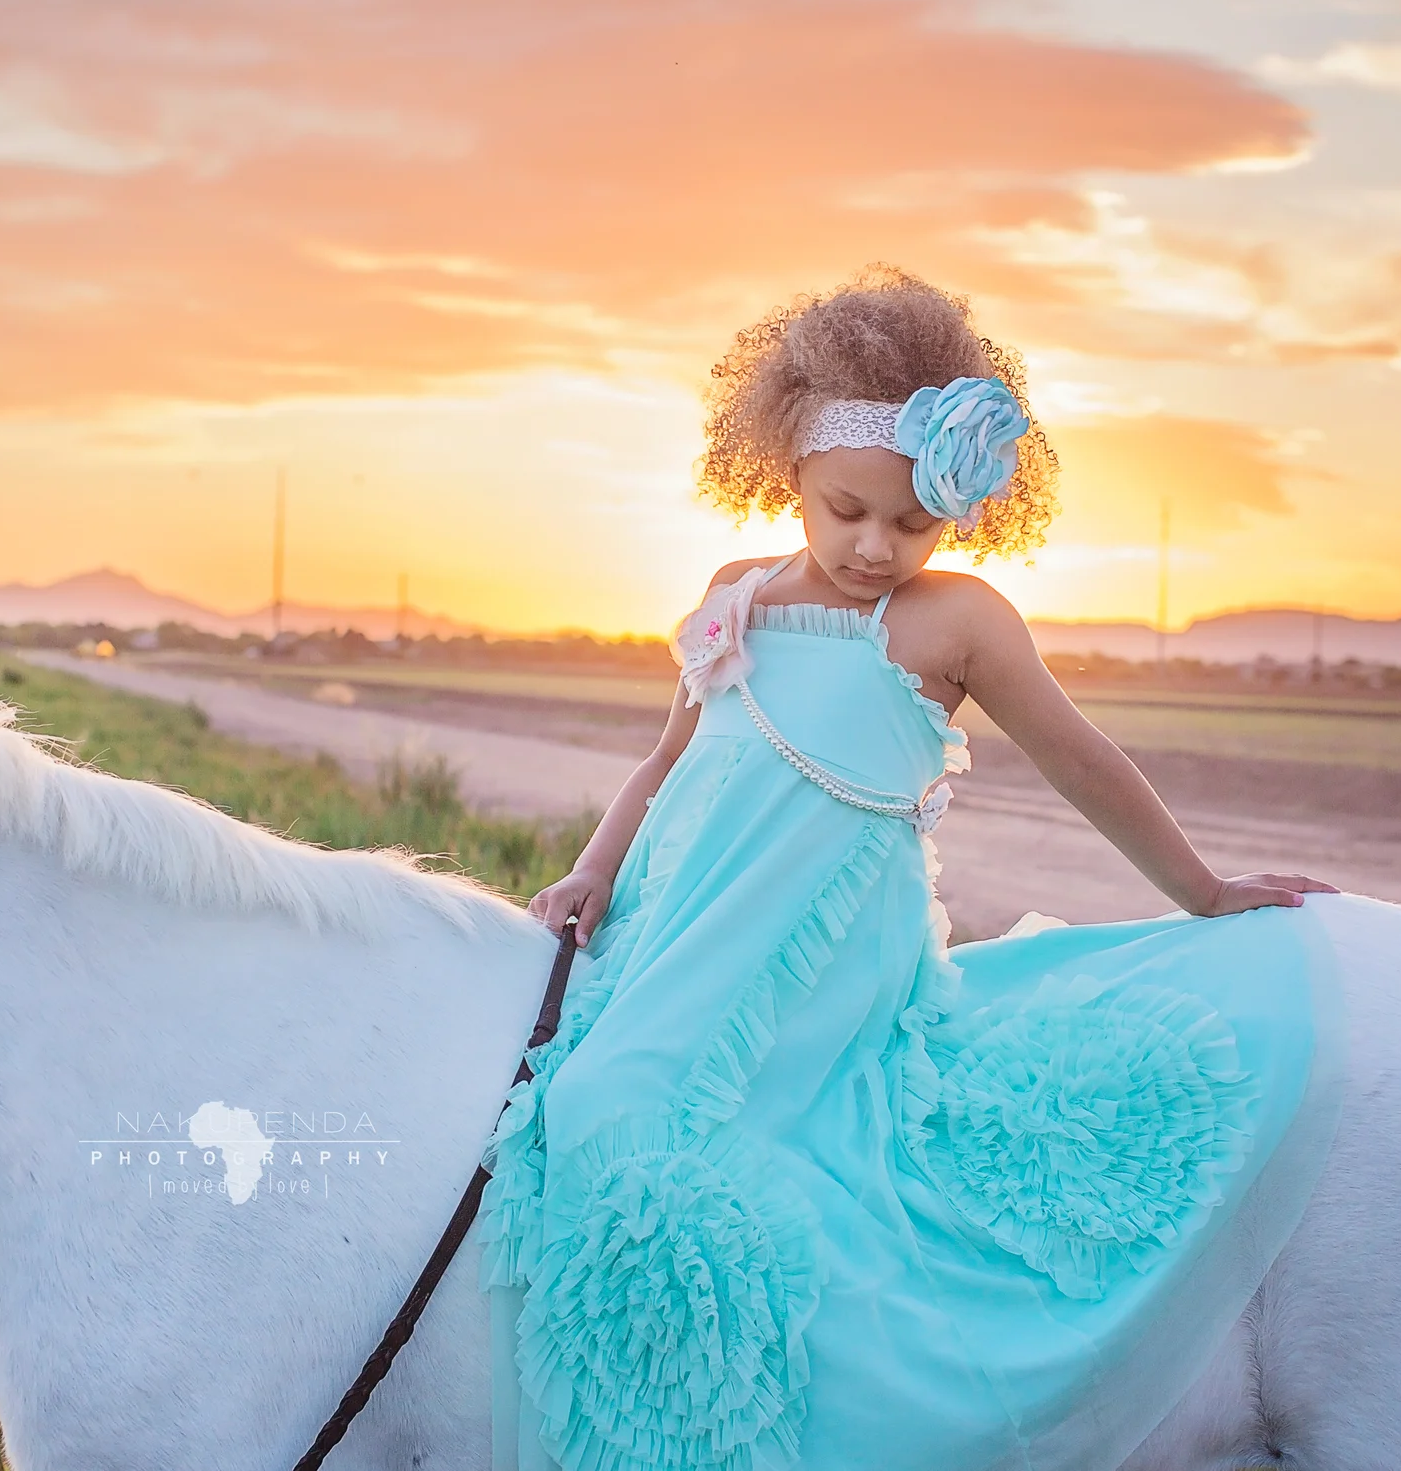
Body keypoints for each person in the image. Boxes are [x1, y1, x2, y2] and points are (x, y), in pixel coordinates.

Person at [478, 267, 1344, 1471]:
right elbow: (668, 759)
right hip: (690, 913)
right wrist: (591, 872)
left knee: (631, 1117)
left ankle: (696, 1421)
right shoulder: (736, 595)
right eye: (844, 511)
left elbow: (1084, 763)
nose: (875, 546)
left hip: (828, 951)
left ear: (958, 512)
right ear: (786, 474)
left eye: (911, 522)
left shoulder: (957, 623)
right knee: (583, 1097)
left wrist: (1199, 891)